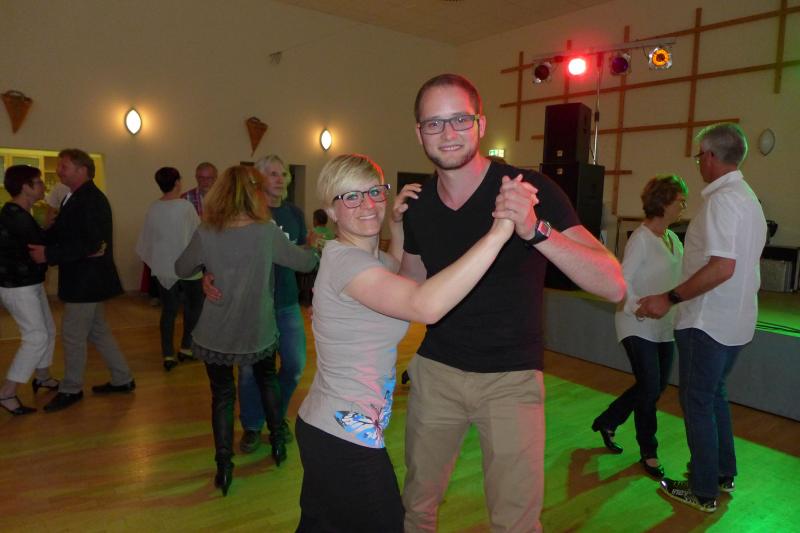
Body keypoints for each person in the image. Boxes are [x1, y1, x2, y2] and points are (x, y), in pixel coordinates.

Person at [400, 74, 625, 532]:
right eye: (434, 123)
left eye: (460, 119)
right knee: (417, 506)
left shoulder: (528, 188)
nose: (448, 132)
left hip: (511, 380)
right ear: (419, 133)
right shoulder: (419, 205)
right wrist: (396, 230)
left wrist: (536, 230)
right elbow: (410, 290)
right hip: (436, 373)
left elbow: (613, 285)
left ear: (480, 124)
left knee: (516, 522)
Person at [295, 153, 514, 532]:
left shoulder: (369, 259)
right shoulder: (347, 263)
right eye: (350, 197)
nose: (367, 204)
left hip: (327, 426)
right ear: (331, 211)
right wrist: (497, 235)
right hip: (343, 435)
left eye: (374, 192)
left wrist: (396, 226)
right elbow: (424, 304)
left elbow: (398, 274)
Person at [637, 123, 767, 512]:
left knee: (697, 401)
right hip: (736, 322)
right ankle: (722, 472)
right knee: (714, 396)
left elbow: (722, 267)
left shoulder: (723, 201)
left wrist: (669, 298)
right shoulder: (748, 198)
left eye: (699, 156)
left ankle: (703, 490)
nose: (699, 163)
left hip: (708, 322)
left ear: (710, 156)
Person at [175, 165, 318, 496]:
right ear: (254, 193)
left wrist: (206, 272)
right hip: (257, 328)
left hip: (216, 332)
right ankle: (278, 443)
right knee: (268, 381)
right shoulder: (265, 232)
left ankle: (224, 467)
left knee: (222, 397)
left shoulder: (207, 231)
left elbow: (181, 268)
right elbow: (305, 263)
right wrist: (311, 246)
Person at [591, 175, 688, 478]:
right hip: (635, 322)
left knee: (655, 386)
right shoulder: (641, 239)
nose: (684, 206)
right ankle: (649, 451)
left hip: (664, 326)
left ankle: (608, 421)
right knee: (649, 388)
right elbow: (623, 282)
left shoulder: (673, 240)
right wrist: (639, 307)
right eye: (680, 201)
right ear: (664, 202)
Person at [29, 149, 135, 413]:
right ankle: (122, 378)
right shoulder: (75, 197)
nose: (59, 171)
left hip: (86, 281)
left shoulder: (90, 200)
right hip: (88, 279)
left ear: (82, 170)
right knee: (97, 331)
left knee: (73, 335)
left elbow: (90, 244)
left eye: (64, 166)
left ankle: (71, 388)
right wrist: (43, 236)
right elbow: (66, 235)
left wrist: (48, 254)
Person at [237, 155, 310, 453]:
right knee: (249, 371)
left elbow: (302, 253)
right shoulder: (248, 213)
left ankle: (275, 417)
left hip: (287, 302)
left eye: (284, 174)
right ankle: (253, 425)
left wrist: (312, 248)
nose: (280, 179)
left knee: (294, 365)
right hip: (254, 306)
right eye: (273, 174)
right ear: (259, 178)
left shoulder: (294, 213)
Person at [0, 165, 59, 415]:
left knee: (48, 330)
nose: (42, 186)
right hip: (18, 287)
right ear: (25, 187)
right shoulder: (15, 216)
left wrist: (48, 227)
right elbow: (39, 247)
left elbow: (36, 242)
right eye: (38, 182)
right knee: (36, 336)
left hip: (29, 283)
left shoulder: (20, 213)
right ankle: (7, 392)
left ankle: (43, 375)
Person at [136, 167, 203, 371]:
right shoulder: (186, 207)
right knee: (194, 307)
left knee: (169, 311)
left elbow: (147, 240)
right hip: (188, 266)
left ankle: (167, 354)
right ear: (177, 183)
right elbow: (198, 235)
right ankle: (186, 348)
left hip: (164, 267)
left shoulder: (154, 208)